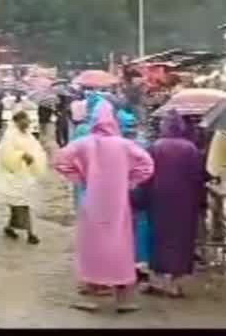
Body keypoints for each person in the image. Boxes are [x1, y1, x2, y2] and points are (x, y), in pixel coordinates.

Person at [53, 96, 154, 314]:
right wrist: (131, 181)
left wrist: (80, 178)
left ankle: (91, 296)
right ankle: (124, 299)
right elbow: (147, 164)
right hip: (119, 203)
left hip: (93, 201)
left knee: (92, 246)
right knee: (121, 245)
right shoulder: (125, 145)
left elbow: (59, 160)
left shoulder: (85, 143)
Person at [133, 110, 205, 299]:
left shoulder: (155, 147)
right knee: (181, 241)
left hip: (159, 200)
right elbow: (198, 177)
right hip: (184, 202)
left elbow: (146, 175)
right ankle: (174, 283)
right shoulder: (191, 149)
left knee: (159, 238)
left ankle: (158, 279)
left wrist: (141, 196)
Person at [0, 110, 47, 244]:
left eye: (28, 120)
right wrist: (22, 155)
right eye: (24, 120)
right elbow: (5, 154)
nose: (27, 123)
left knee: (21, 204)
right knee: (22, 204)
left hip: (26, 175)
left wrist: (35, 159)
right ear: (17, 121)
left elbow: (37, 150)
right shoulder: (10, 136)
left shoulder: (28, 136)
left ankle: (9, 227)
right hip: (13, 175)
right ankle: (31, 233)